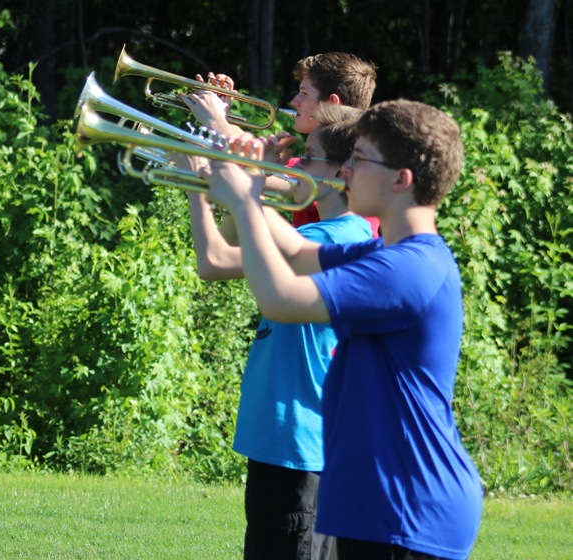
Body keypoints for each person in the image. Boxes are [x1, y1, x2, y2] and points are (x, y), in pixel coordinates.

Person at [203, 99, 483, 560]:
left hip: (406, 507)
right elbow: (293, 251)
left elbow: (280, 297)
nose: (347, 169)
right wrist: (246, 181)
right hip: (377, 502)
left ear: (401, 179)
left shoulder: (407, 269)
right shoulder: (384, 253)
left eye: (361, 158)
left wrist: (244, 197)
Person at [181, 104, 371, 560]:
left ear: (338, 174)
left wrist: (202, 182)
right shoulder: (325, 233)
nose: (294, 166)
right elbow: (223, 252)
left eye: (306, 157)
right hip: (285, 443)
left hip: (299, 446)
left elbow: (212, 261)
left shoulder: (336, 239)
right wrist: (220, 184)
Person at [183, 51, 379, 234]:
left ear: (332, 103)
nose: (294, 101)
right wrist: (221, 120)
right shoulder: (319, 161)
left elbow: (252, 173)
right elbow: (253, 157)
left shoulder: (327, 169)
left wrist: (216, 122)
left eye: (304, 93)